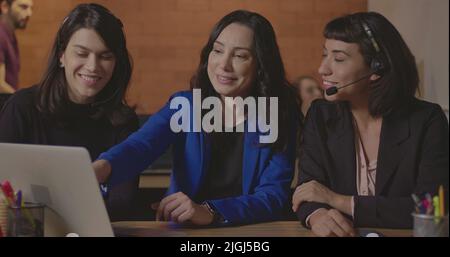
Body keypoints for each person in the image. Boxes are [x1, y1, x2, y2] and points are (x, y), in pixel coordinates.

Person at [93, 10, 300, 226]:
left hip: (246, 235)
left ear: (260, 66)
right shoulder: (185, 106)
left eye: (239, 56)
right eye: (217, 50)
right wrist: (102, 167)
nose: (224, 65)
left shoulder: (276, 116)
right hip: (184, 232)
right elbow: (140, 146)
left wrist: (209, 211)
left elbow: (273, 196)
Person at [292, 12, 449, 237]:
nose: (322, 69)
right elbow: (309, 191)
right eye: (325, 55)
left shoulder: (426, 120)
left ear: (377, 67)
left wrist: (337, 201)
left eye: (338, 59)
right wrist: (317, 215)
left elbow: (430, 209)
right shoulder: (320, 115)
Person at [0, 3, 139, 221]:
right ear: (62, 55)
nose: (93, 66)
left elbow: (121, 204)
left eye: (105, 56)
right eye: (82, 53)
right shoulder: (22, 108)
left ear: (116, 62)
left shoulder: (123, 122)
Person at [0, 0, 33, 94]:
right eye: (23, 7)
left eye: (31, 8)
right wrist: (21, 103)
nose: (29, 13)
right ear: (5, 6)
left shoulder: (9, 35)